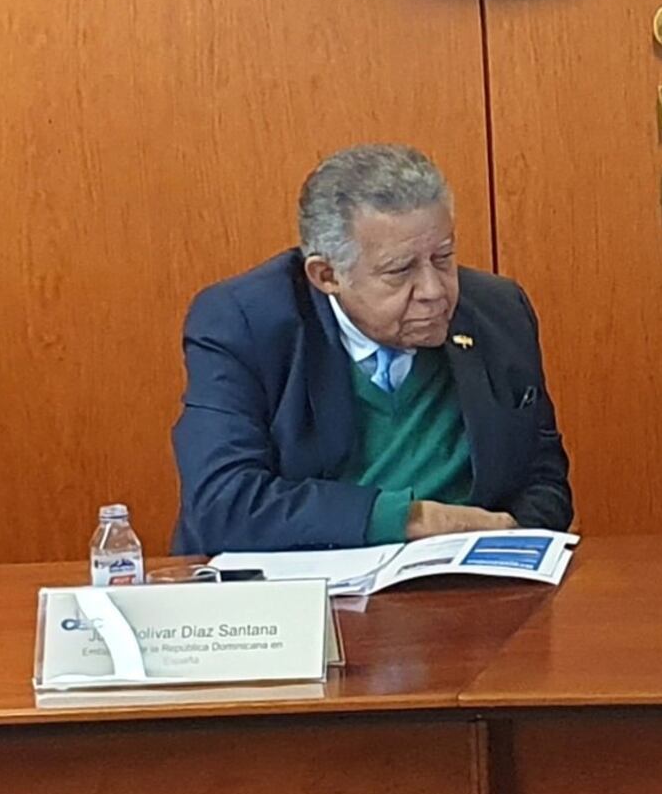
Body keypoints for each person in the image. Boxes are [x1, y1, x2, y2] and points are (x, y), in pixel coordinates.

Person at [173, 144, 573, 553]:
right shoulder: (243, 323)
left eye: (443, 257)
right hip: (305, 581)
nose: (434, 291)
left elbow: (543, 479)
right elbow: (221, 504)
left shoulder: (498, 310)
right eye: (400, 270)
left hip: (466, 579)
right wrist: (412, 519)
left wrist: (510, 539)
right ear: (327, 276)